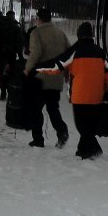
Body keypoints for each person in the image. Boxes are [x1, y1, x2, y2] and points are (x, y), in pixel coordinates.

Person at [52, 21, 108, 160]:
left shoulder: (74, 53)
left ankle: (93, 151)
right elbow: (107, 75)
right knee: (89, 125)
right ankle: (82, 150)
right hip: (96, 96)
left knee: (82, 126)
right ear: (92, 35)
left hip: (79, 96)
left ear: (79, 35)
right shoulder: (100, 52)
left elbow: (64, 69)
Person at [23, 8, 70, 148]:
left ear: (39, 19)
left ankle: (38, 139)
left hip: (41, 78)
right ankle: (62, 131)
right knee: (52, 108)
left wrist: (27, 69)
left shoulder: (36, 33)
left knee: (36, 109)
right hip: (56, 77)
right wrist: (66, 74)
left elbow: (35, 54)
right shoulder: (60, 33)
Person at [0, 10, 25, 99]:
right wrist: (20, 56)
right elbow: (19, 43)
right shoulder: (16, 27)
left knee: (3, 73)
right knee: (11, 74)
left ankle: (3, 92)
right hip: (11, 55)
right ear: (13, 16)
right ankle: (10, 93)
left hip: (1, 54)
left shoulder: (0, 26)